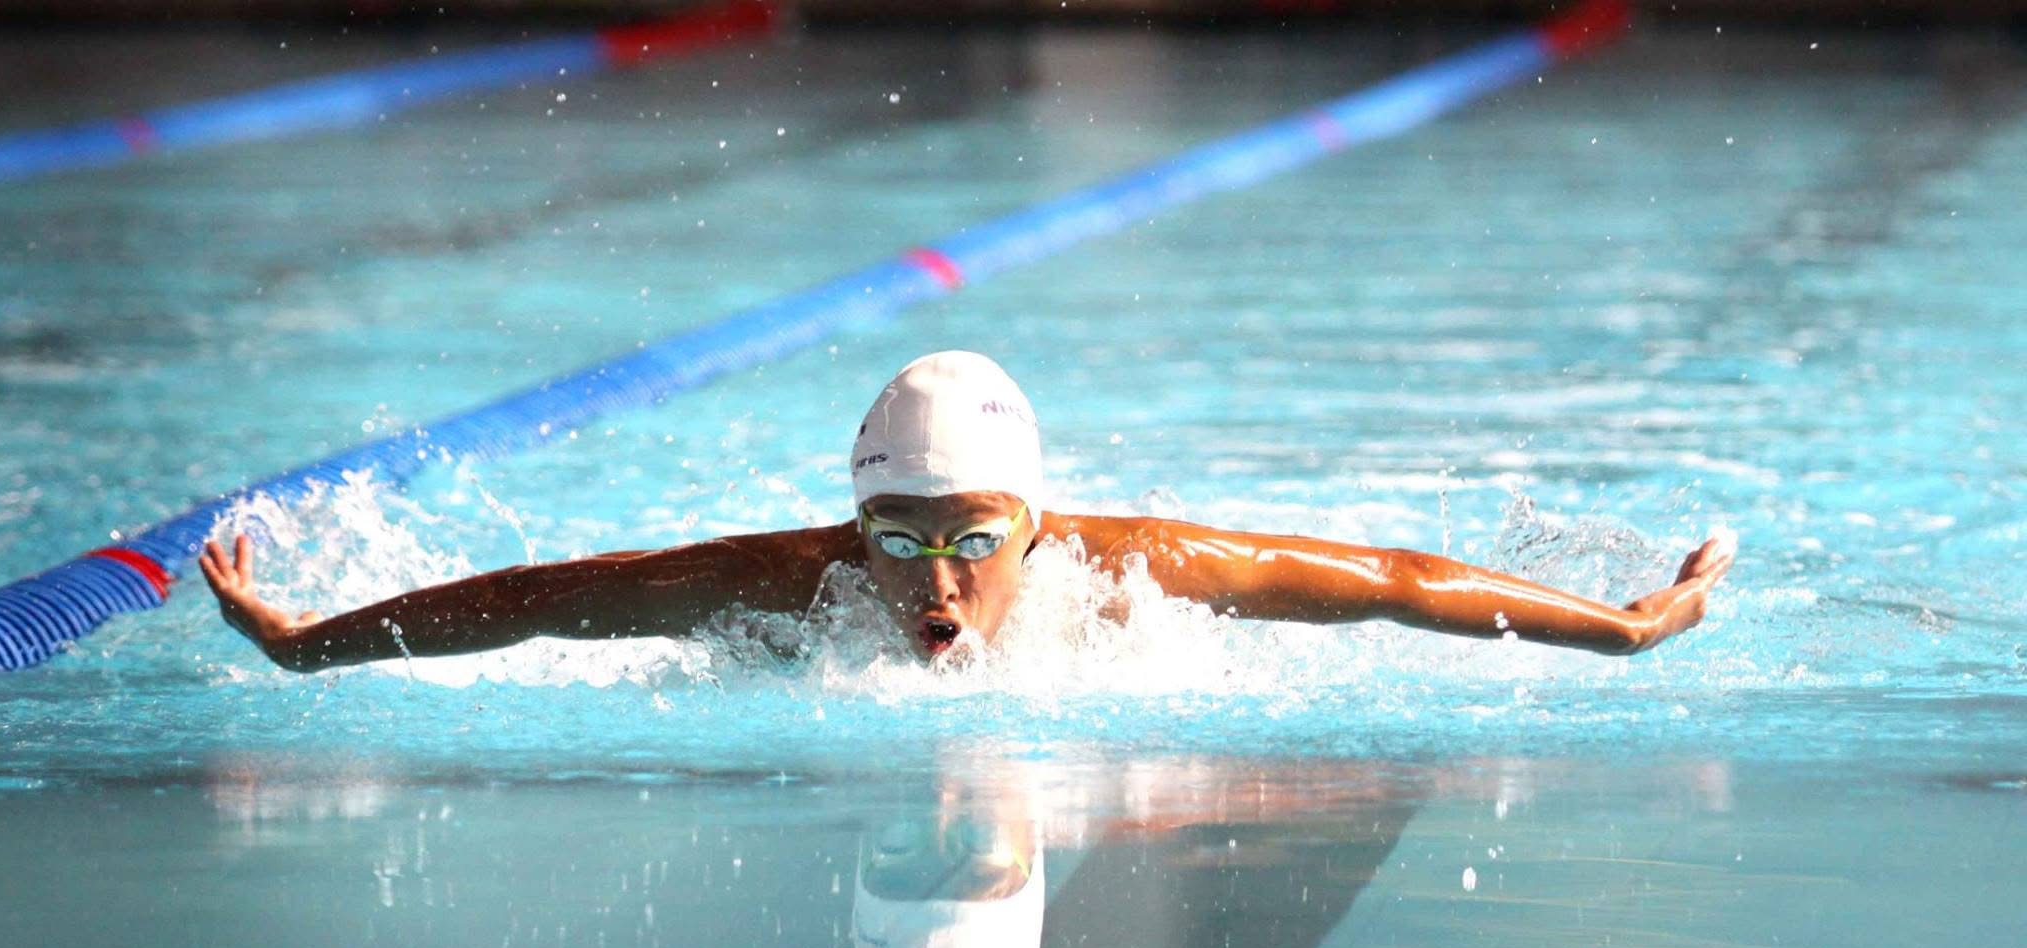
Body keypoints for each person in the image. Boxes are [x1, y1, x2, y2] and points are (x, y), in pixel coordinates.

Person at [201, 350, 1736, 671]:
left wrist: (1617, 626)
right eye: (898, 539)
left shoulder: (1125, 572)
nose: (933, 578)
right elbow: (543, 597)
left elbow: (1393, 578)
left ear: (1032, 523)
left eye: (972, 539)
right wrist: (308, 644)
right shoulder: (793, 584)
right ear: (851, 528)